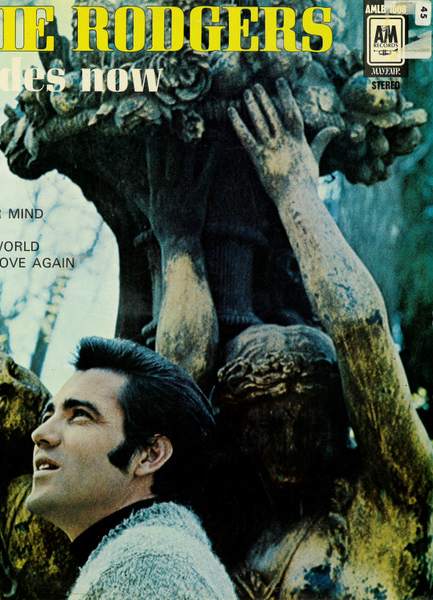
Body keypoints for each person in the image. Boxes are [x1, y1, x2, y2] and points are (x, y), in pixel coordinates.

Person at [217, 79, 433, 598]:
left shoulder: (390, 495)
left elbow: (360, 333)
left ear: (343, 422)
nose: (290, 446)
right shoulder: (236, 530)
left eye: (310, 425)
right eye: (270, 427)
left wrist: (297, 196)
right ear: (241, 434)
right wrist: (176, 240)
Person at [25, 336, 238, 600]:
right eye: (48, 416)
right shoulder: (151, 557)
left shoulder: (150, 564)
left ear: (150, 455)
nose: (40, 433)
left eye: (79, 414)